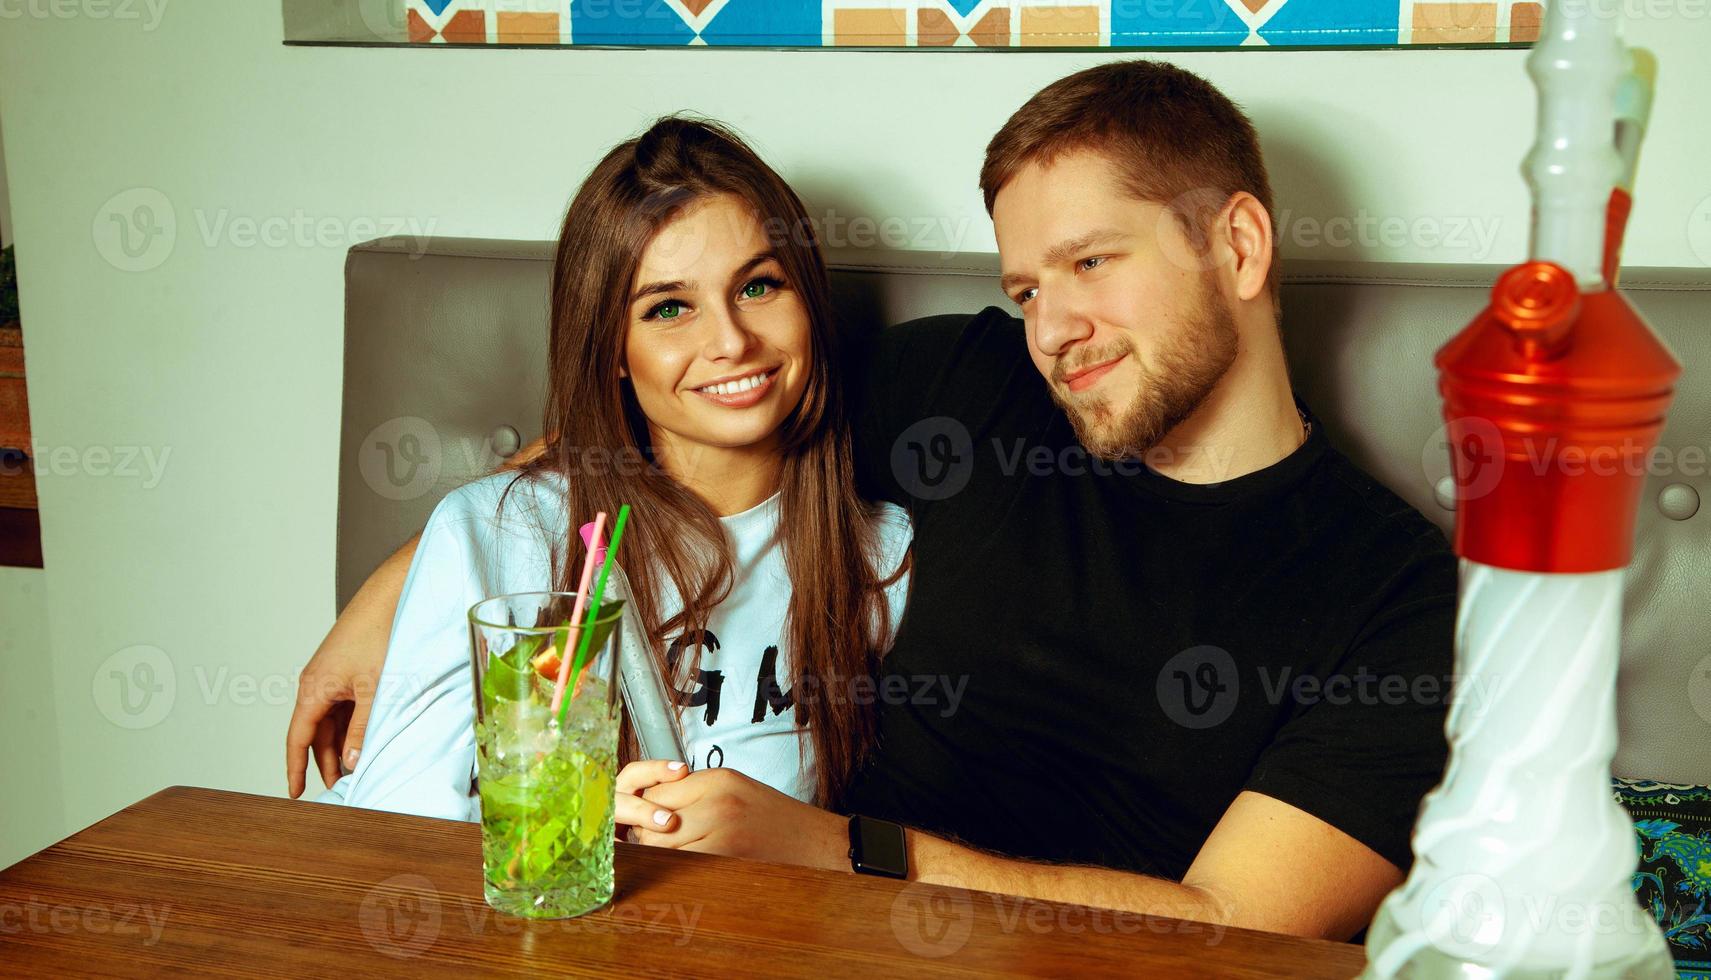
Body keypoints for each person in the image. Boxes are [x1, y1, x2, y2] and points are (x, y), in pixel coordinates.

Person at [291, 60, 1455, 942]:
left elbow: (1233, 922)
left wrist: (841, 846)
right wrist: (403, 585)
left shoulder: (1393, 585)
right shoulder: (973, 387)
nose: (1054, 329)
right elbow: (694, 398)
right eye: (1025, 285)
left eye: (1093, 263)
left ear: (1239, 244)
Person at [310, 116, 913, 827]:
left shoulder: (885, 553)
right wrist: (578, 821)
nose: (730, 341)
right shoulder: (504, 533)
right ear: (612, 352)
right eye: (668, 308)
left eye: (758, 287)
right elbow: (390, 833)